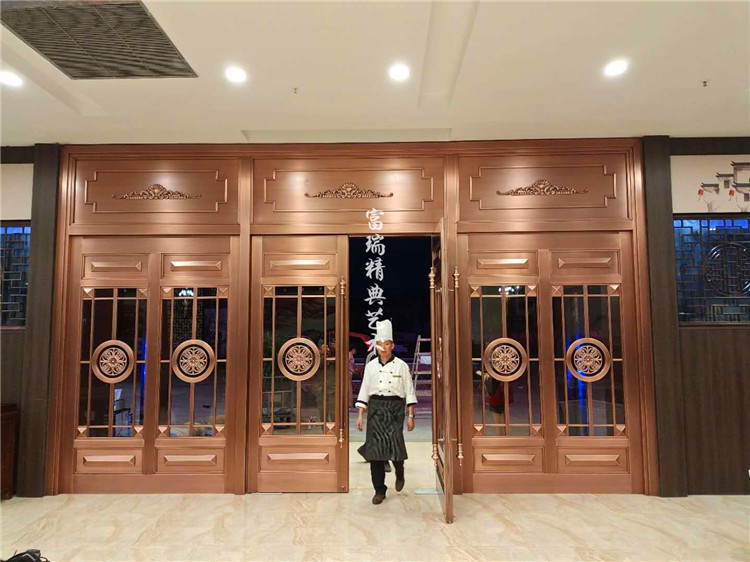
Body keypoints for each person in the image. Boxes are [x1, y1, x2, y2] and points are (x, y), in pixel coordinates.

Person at [355, 319, 417, 504]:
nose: (383, 347)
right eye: (380, 343)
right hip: (376, 408)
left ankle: (400, 471)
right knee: (375, 452)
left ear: (392, 346)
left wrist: (410, 416)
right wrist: (360, 415)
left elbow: (409, 391)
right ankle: (379, 490)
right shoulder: (371, 366)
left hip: (395, 408)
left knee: (395, 446)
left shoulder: (401, 366)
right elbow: (364, 390)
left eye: (386, 343)